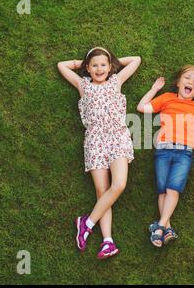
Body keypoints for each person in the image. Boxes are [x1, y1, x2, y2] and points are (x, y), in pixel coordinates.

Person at [57, 46, 141, 259]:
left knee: (119, 184)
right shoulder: (83, 84)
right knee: (102, 191)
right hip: (95, 140)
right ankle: (107, 241)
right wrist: (80, 63)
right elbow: (61, 66)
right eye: (94, 65)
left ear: (110, 67)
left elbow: (136, 60)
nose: (99, 68)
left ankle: (87, 223)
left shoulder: (116, 81)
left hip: (117, 137)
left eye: (103, 65)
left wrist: (112, 60)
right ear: (88, 68)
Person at [137, 65, 194, 247]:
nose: (191, 82)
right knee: (162, 189)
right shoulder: (167, 99)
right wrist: (154, 89)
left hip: (184, 152)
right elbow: (141, 107)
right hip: (162, 149)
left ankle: (159, 227)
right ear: (178, 83)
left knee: (173, 188)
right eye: (187, 78)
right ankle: (166, 229)